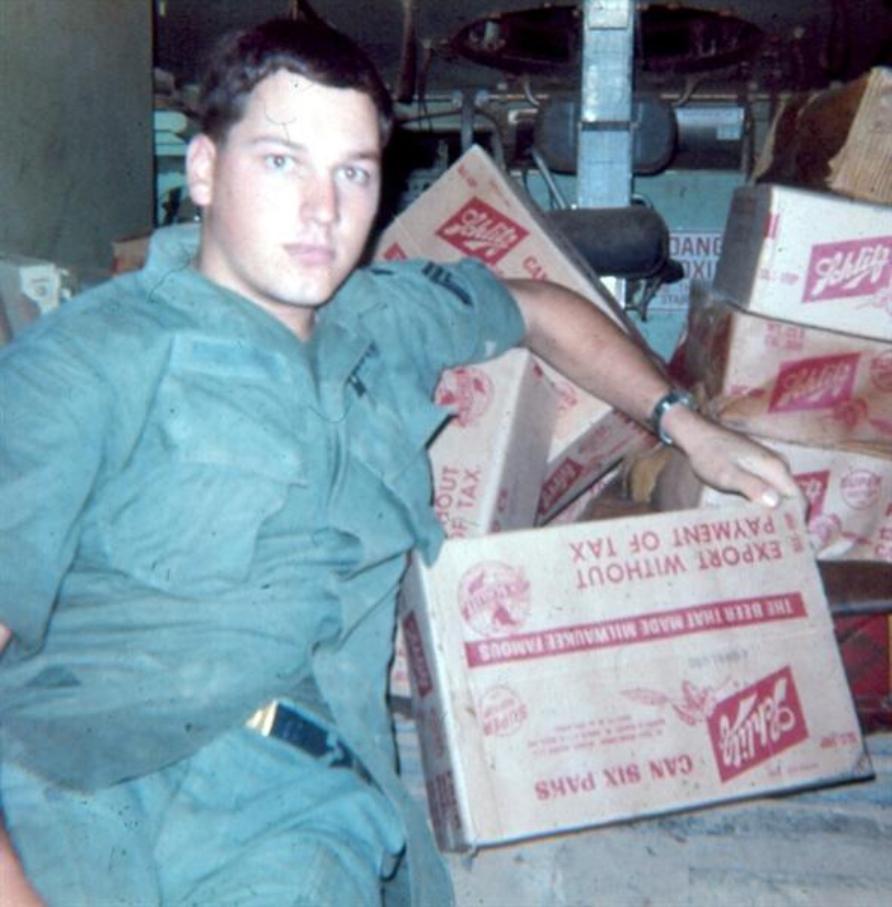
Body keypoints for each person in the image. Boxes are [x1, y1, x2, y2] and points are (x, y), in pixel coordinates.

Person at [0, 16, 799, 907]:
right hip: (83, 789)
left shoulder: (383, 319)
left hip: (302, 812)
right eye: (280, 161)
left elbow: (538, 308)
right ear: (203, 172)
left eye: (353, 172)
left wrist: (686, 423)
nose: (322, 209)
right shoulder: (89, 360)